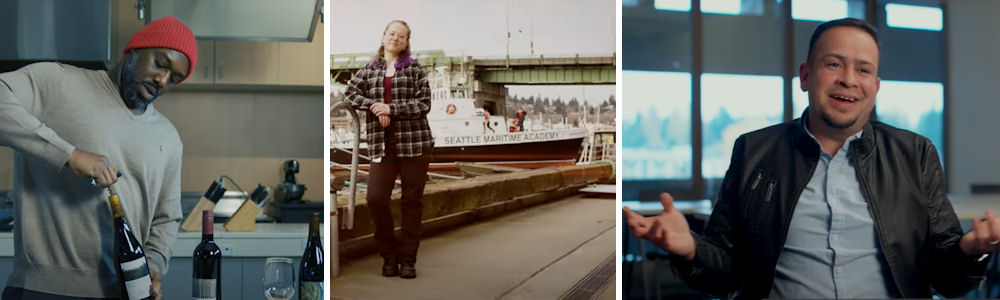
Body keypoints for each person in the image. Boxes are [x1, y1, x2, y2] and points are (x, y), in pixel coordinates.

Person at [623, 18, 997, 299]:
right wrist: (690, 249)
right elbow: (726, 272)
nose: (848, 79)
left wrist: (971, 251)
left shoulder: (915, 154)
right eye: (833, 64)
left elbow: (947, 280)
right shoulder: (753, 151)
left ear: (875, 87)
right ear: (805, 76)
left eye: (863, 69)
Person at [0, 16, 194, 299]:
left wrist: (152, 266)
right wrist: (69, 155)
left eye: (173, 79)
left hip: (126, 291)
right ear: (135, 49)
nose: (162, 80)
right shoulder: (58, 81)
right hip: (43, 289)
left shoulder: (168, 137)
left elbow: (167, 218)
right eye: (160, 64)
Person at [344, 20, 433, 279]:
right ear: (383, 36)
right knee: (375, 198)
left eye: (401, 36)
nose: (396, 38)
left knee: (411, 202)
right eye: (392, 33)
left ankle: (407, 260)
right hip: (381, 146)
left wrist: (391, 109)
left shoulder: (415, 69)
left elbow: (424, 103)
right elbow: (349, 94)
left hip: (415, 145)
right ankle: (388, 254)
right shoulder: (369, 69)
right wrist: (375, 105)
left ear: (407, 42)